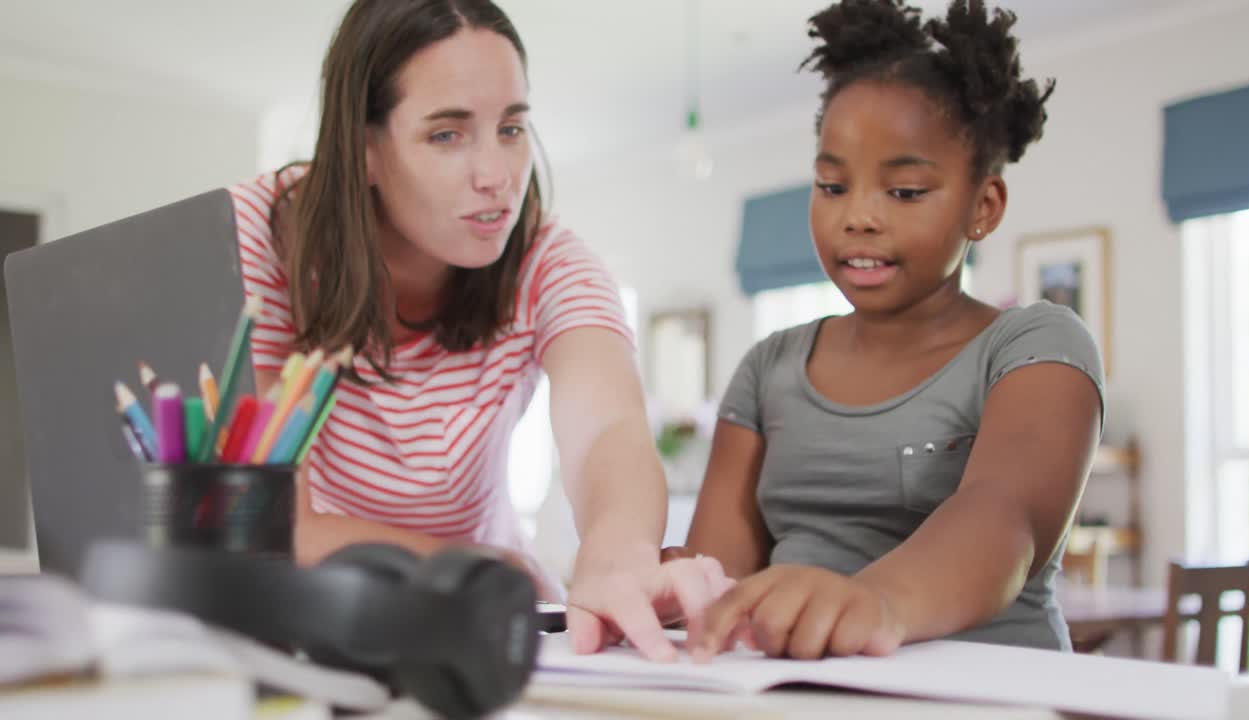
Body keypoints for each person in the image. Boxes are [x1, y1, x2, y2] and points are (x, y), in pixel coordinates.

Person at [228, 0, 728, 662]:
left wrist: (616, 558)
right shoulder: (258, 237)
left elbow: (608, 429)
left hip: (484, 615)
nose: (497, 178)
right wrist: (470, 563)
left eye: (512, 129)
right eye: (447, 135)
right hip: (331, 611)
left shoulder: (549, 260)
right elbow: (268, 522)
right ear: (364, 148)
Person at [669, 0, 1104, 660]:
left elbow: (1002, 518)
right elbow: (719, 579)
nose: (859, 218)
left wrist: (876, 603)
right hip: (809, 698)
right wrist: (682, 591)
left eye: (903, 192)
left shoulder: (1036, 347)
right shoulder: (770, 368)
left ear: (982, 207)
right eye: (832, 185)